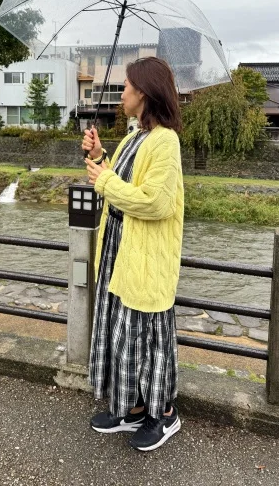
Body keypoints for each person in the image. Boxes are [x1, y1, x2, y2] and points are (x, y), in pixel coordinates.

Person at [81, 56, 184, 453]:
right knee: (124, 333)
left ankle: (164, 414)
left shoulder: (166, 140)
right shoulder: (134, 136)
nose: (121, 92)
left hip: (145, 255)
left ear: (144, 91)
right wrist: (100, 156)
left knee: (148, 336)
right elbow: (119, 181)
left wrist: (104, 179)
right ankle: (133, 406)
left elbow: (156, 202)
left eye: (126, 86)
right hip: (119, 250)